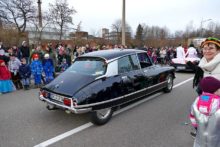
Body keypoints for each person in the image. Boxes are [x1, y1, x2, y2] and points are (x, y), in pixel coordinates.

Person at [189, 76, 220, 147]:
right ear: (215, 91)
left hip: (201, 134)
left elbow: (192, 115)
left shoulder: (197, 100)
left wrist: (196, 127)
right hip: (216, 135)